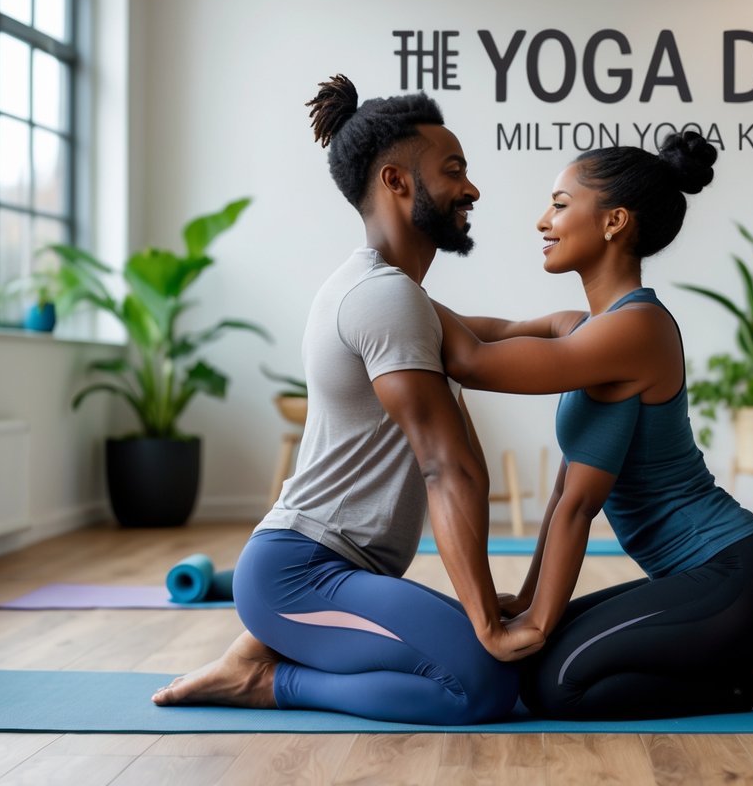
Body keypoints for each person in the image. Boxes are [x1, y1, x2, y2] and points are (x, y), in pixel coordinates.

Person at [433, 131, 753, 720]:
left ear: (613, 222)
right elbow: (488, 334)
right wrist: (526, 600)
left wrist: (538, 620)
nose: (541, 221)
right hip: (712, 580)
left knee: (558, 687)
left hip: (738, 574)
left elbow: (475, 365)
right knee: (534, 673)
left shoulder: (636, 330)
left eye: (558, 203)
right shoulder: (582, 326)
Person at [152, 75, 541, 725]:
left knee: (491, 667)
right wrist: (481, 618)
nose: (471, 188)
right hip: (298, 575)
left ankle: (254, 652)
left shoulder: (387, 290)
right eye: (453, 171)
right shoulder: (382, 297)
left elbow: (489, 338)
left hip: (334, 574)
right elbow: (448, 467)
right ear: (396, 182)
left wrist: (593, 328)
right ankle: (269, 681)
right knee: (480, 686)